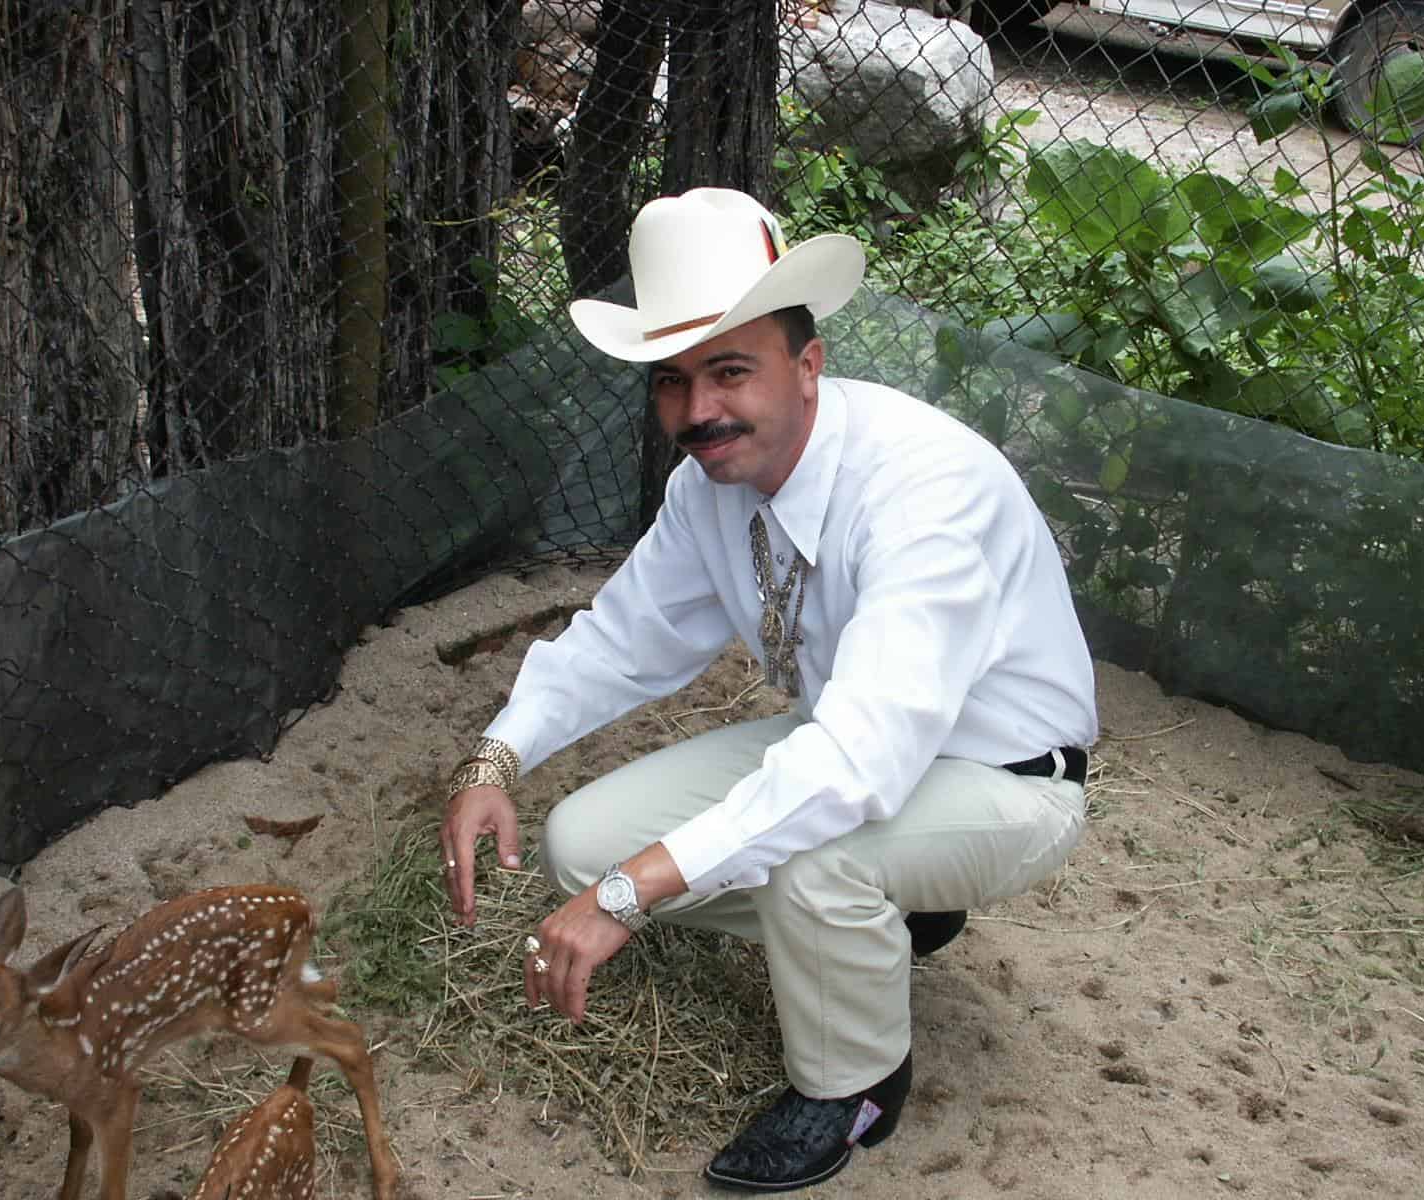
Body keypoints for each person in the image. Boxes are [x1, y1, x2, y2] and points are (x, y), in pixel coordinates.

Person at [438, 187, 1097, 1193]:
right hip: (847, 744)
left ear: (809, 363)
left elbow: (858, 760)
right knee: (580, 845)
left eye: (731, 370)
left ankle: (853, 1089)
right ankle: (889, 927)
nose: (697, 411)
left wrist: (634, 893)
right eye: (671, 380)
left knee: (811, 864)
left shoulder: (925, 489)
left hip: (1004, 777)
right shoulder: (708, 486)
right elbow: (623, 639)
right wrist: (497, 756)